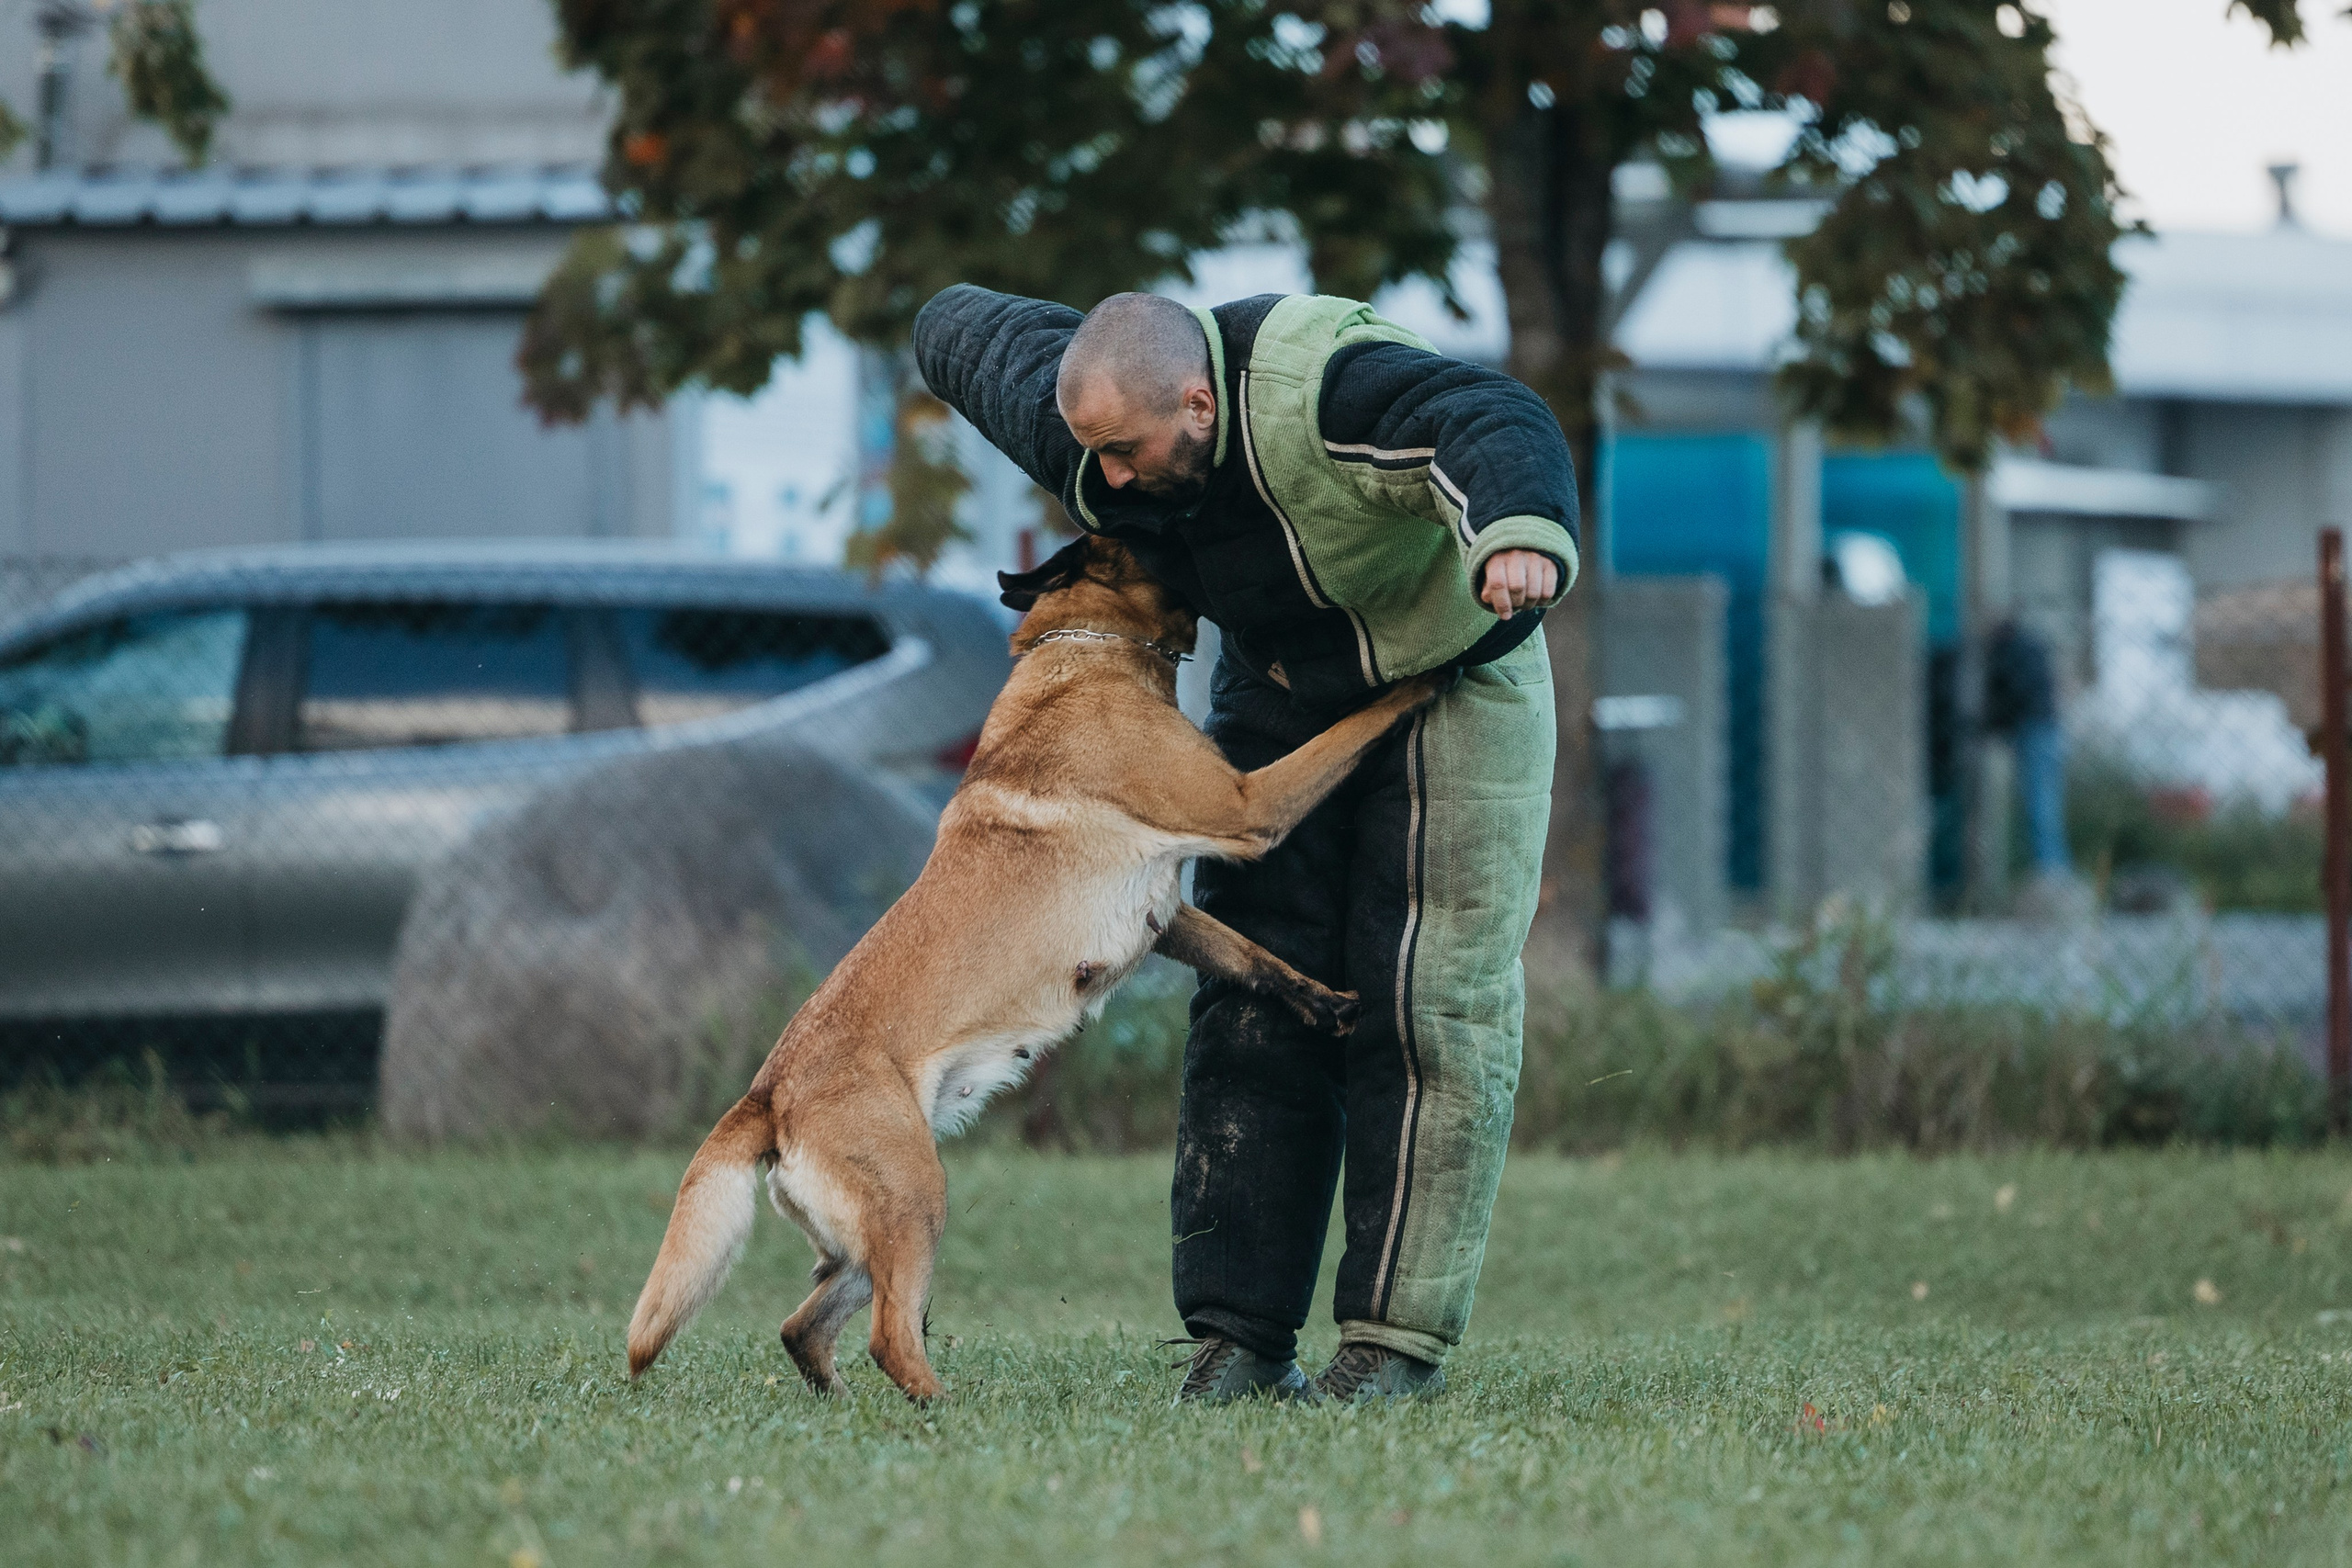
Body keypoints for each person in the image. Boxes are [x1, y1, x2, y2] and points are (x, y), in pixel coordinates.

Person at [913, 286, 1578, 1404]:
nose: (1108, 485)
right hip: (1279, 683)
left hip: (1454, 672)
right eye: (1093, 456)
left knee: (1428, 995)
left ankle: (1390, 1346)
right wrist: (929, 321)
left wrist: (1515, 530)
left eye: (1127, 452)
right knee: (1254, 999)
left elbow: (1492, 415)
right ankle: (1239, 1339)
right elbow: (966, 333)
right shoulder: (1102, 431)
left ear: (1201, 402)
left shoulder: (1324, 393)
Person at [1984, 617, 2071, 879]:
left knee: (2040, 804)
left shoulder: (2011, 651)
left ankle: (2051, 873)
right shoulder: (2029, 646)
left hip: (2035, 732)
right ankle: (2052, 869)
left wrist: (1992, 724)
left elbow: (2015, 693)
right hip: (2043, 730)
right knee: (2043, 802)